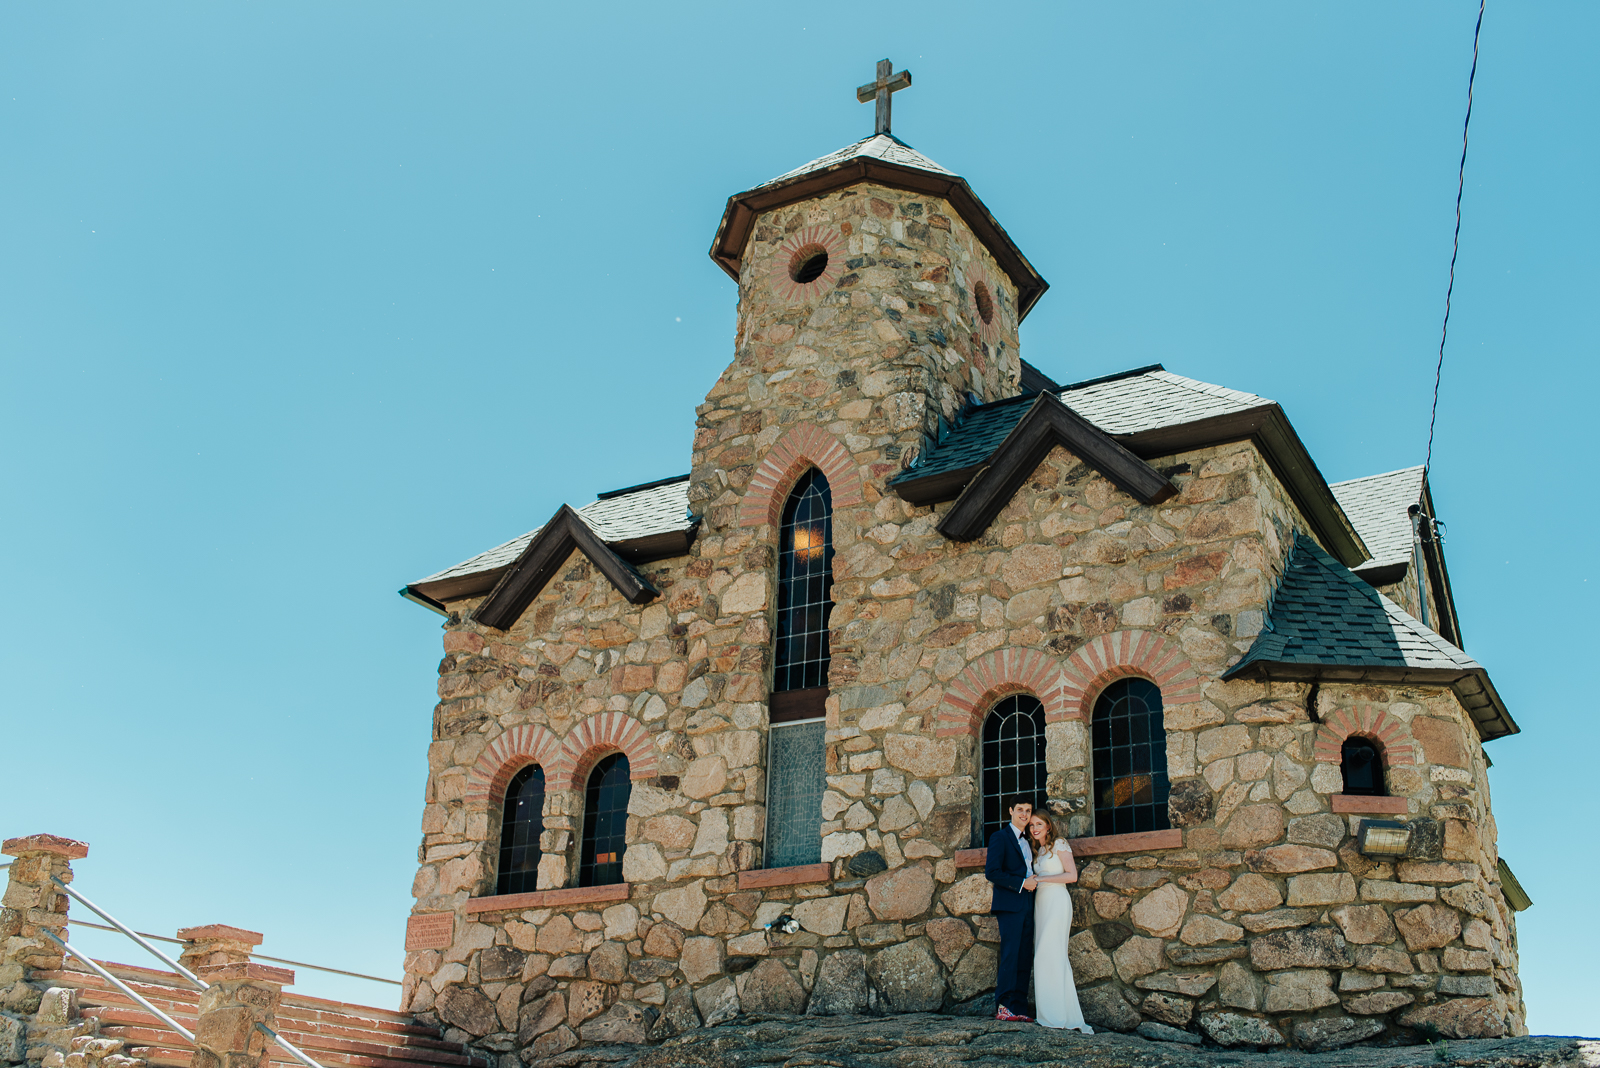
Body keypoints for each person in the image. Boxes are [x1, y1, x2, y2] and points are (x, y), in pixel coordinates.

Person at [1027, 812, 1094, 1033]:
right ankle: (1049, 1014)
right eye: (1031, 825)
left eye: (1039, 824)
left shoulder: (1059, 844)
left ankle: (1058, 1017)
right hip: (1041, 904)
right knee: (1042, 955)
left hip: (1056, 901)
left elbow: (1072, 875)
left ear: (1048, 826)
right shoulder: (1038, 851)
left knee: (1053, 953)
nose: (1034, 828)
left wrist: (1041, 879)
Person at [984, 795, 1038, 1022]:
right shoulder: (1000, 837)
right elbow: (992, 872)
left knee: (1024, 956)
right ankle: (1004, 1007)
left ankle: (1019, 1008)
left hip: (1028, 904)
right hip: (1010, 904)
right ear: (1010, 811)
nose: (1024, 814)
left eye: (1027, 810)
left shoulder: (1029, 841)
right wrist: (1021, 884)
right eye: (1020, 809)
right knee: (1010, 955)